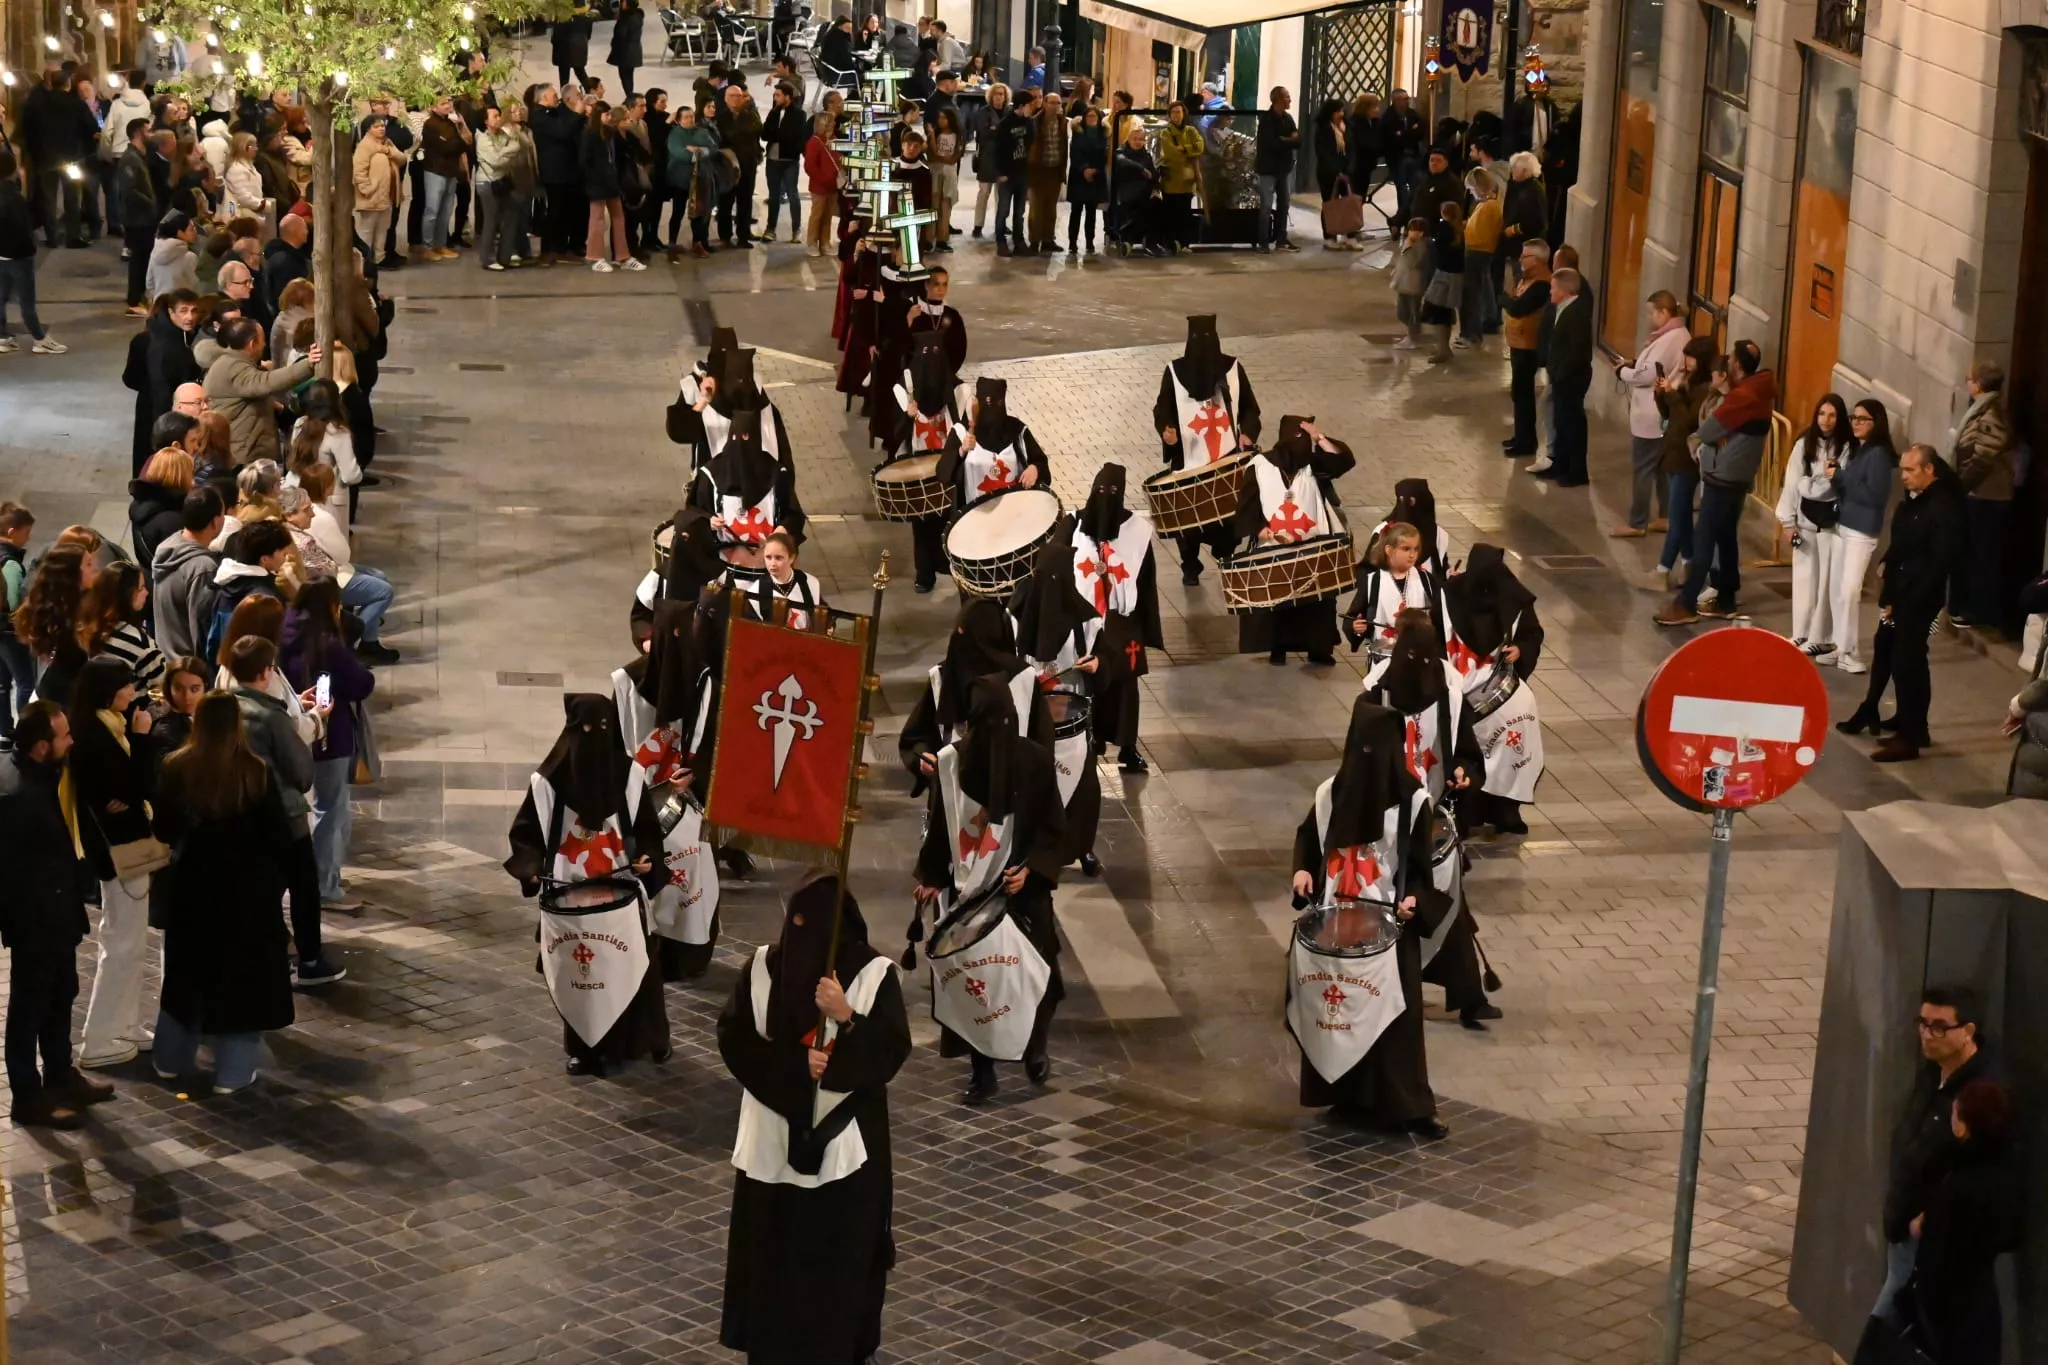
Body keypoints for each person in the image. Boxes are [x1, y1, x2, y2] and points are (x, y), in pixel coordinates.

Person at [717, 872, 909, 1365]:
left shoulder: (874, 976)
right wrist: (794, 1068)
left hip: (846, 1159)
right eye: (795, 923)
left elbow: (889, 1053)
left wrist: (846, 1016)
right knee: (773, 1259)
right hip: (771, 1153)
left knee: (835, 1267)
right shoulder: (761, 969)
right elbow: (734, 1041)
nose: (801, 936)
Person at [1287, 695, 1449, 1139]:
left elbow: (1420, 869)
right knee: (1339, 1014)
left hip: (1390, 930)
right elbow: (1308, 839)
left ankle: (1410, 1107)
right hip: (1336, 923)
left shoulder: (1414, 804)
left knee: (1397, 1022)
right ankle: (1347, 1094)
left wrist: (1414, 898)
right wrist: (1302, 868)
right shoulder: (1327, 795)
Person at [909, 678, 1066, 1105]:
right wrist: (931, 877)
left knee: (1035, 975)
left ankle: (1035, 1048)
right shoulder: (950, 764)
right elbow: (942, 826)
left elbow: (1054, 828)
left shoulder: (1033, 762)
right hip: (967, 896)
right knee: (974, 982)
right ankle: (982, 1071)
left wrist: (1032, 868)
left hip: (1021, 892)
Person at [506, 693, 669, 1075]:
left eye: (601, 730)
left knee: (636, 967)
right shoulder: (546, 784)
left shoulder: (630, 777)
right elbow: (526, 834)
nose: (593, 738)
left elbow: (647, 831)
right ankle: (584, 1047)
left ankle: (646, 1040)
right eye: (585, 730)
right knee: (580, 975)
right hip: (570, 898)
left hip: (624, 894)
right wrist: (530, 867)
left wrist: (648, 859)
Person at [148, 690, 296, 1093]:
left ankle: (169, 1060)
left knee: (185, 978)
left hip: (192, 889)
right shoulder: (255, 771)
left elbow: (163, 829)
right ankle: (232, 1074)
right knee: (242, 982)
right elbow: (278, 837)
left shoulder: (177, 767)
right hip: (245, 893)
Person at [1861, 988, 2006, 1335]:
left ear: (1968, 1031)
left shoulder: (1980, 1095)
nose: (1928, 1034)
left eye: (1940, 1026)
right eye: (1923, 1023)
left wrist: (1930, 1217)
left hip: (1929, 1245)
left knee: (1883, 1337)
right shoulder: (1934, 1072)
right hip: (1903, 1229)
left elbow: (1984, 1170)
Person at [0, 702, 107, 1128]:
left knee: (62, 992)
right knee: (29, 1006)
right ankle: (26, 1097)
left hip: (57, 911)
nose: (72, 741)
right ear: (43, 746)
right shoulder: (17, 796)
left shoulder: (39, 775)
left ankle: (60, 1075)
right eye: (64, 736)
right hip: (34, 920)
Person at [228, 635, 346, 985]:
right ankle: (309, 960)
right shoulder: (269, 716)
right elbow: (300, 771)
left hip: (242, 813)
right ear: (266, 671)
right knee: (303, 889)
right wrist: (316, 721)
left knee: (260, 890)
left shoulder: (223, 706)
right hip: (284, 815)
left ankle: (261, 954)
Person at [66, 656, 164, 1072]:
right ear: (108, 690)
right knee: (121, 944)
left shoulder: (106, 726)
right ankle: (100, 1039)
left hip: (127, 843)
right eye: (126, 686)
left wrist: (126, 780)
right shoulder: (95, 735)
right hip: (119, 851)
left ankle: (126, 1023)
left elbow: (126, 788)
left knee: (130, 942)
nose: (133, 693)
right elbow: (137, 784)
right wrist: (142, 741)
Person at [1837, 445, 1963, 763]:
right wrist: (1889, 564)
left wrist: (1907, 600)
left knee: (1909, 663)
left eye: (1910, 471)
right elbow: (1904, 540)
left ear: (1929, 470)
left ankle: (1910, 737)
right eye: (1903, 469)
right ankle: (1907, 721)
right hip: (1902, 592)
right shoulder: (1918, 500)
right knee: (1892, 652)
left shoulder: (1943, 507)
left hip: (1918, 597)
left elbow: (1939, 561)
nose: (1903, 476)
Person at [1655, 340, 1777, 624]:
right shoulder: (1759, 391)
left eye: (1732, 359)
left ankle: (1685, 604)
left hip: (1724, 476)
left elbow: (1707, 430)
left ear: (1736, 366)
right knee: (1725, 535)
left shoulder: (1743, 397)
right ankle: (1725, 599)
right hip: (1738, 475)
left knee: (1705, 537)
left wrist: (1697, 440)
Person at [278, 578, 374, 911]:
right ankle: (324, 886)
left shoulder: (285, 629)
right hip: (329, 735)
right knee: (331, 810)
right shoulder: (326, 644)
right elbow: (360, 683)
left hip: (296, 727)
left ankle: (322, 877)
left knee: (319, 807)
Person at [1231, 417, 1355, 665]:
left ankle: (1318, 649)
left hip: (1313, 543)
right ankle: (1278, 648)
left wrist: (1319, 436)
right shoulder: (1259, 465)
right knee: (1279, 600)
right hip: (1274, 545)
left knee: (1318, 599)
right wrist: (1260, 530)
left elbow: (1343, 462)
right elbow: (1248, 506)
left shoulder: (1314, 465)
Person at [1443, 546, 1544, 836]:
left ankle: (1505, 811)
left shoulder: (1515, 598)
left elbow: (1531, 634)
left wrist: (1521, 650)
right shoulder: (1450, 595)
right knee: (1468, 756)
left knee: (1509, 753)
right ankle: (1463, 814)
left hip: (1503, 695)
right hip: (1461, 690)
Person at [1067, 463, 1161, 775]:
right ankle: (1090, 741)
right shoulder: (1074, 525)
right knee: (1087, 682)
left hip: (1123, 619)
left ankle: (1128, 747)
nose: (1105, 498)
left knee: (1125, 686)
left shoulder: (1137, 531)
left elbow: (1145, 581)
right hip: (1084, 617)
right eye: (1100, 492)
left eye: (1112, 493)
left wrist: (1146, 627)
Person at [1157, 314, 1262, 584]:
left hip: (1226, 459)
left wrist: (1248, 433)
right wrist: (1166, 430)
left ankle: (1225, 553)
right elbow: (1163, 408)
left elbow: (1250, 407)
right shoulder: (1174, 372)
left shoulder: (1232, 369)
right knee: (1189, 519)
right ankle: (1190, 565)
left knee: (1228, 517)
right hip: (1189, 460)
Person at [1823, 399, 1900, 673]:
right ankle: (1839, 645)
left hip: (1861, 530)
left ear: (1875, 422)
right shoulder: (1861, 449)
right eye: (1853, 417)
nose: (1855, 422)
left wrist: (1841, 477)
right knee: (1838, 590)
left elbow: (1874, 496)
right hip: (1845, 524)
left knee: (1850, 589)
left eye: (1863, 419)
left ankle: (1851, 651)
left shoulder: (1878, 455)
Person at [1775, 395, 1852, 656]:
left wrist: (1809, 484)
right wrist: (1788, 521)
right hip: (1805, 523)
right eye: (1822, 414)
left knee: (1826, 582)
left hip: (1831, 525)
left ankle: (1821, 636)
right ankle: (1801, 633)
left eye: (1832, 415)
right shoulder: (1803, 444)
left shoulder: (1846, 447)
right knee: (1804, 580)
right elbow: (1791, 481)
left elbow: (1831, 489)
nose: (1826, 421)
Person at [1610, 290, 1690, 536]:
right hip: (1661, 413)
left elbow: (1648, 375)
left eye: (1650, 313)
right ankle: (1665, 516)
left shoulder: (1671, 338)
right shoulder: (1675, 335)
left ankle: (1637, 522)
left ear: (1664, 312)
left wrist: (1622, 372)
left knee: (1643, 469)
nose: (1648, 318)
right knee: (1661, 469)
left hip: (1653, 414)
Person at [1950, 360, 2015, 630]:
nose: (1967, 383)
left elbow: (1984, 456)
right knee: (1973, 551)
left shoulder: (1991, 413)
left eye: (1970, 378)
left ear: (1978, 384)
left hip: (1987, 496)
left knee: (1981, 554)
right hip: (1979, 494)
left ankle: (1978, 611)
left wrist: (1962, 484)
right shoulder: (1982, 408)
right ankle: (1967, 607)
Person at [201, 317, 318, 466]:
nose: (264, 345)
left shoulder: (230, 363)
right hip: (244, 456)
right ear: (252, 344)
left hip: (247, 450)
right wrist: (308, 365)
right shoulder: (233, 367)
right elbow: (266, 382)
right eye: (262, 340)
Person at [1653, 339, 1716, 587]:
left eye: (1691, 357)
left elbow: (1690, 422)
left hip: (1688, 460)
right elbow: (1669, 415)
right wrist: (1662, 395)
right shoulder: (1687, 383)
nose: (1687, 362)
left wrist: (1673, 395)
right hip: (1674, 453)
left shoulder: (1705, 390)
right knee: (1681, 515)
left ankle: (1663, 569)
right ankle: (1690, 565)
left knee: (1678, 516)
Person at [1343, 522, 1443, 663]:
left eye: (1416, 549)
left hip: (1421, 656)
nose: (1412, 554)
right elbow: (1353, 616)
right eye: (1406, 549)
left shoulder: (1425, 578)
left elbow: (1440, 610)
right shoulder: (1373, 581)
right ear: (1389, 550)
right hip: (1384, 656)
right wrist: (1356, 628)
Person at [942, 377, 1048, 506]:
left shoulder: (1017, 430)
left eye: (997, 404)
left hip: (1014, 512)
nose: (991, 412)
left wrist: (1035, 468)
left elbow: (1041, 463)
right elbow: (943, 474)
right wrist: (962, 450)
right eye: (986, 404)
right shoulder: (961, 432)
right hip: (973, 516)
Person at [0, 150, 65, 355]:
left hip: (1, 255)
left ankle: (2, 336)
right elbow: (23, 227)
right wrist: (31, 248)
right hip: (19, 256)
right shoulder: (14, 198)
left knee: (1, 297)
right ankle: (39, 338)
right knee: (27, 301)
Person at [13, 542, 92, 708]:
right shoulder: (58, 619)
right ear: (71, 573)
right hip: (61, 700)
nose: (96, 569)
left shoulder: (78, 604)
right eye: (89, 564)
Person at [1533, 266, 1592, 486]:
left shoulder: (1578, 313)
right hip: (1559, 376)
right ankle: (1560, 464)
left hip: (1571, 379)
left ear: (1566, 290)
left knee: (1572, 424)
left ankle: (1577, 472)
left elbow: (1576, 351)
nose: (1550, 292)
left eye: (1553, 288)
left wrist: (1559, 373)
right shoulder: (1561, 308)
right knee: (1560, 421)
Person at [152, 488, 225, 659]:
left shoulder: (168, 546)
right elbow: (202, 629)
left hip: (168, 658)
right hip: (188, 668)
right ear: (215, 522)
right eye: (223, 514)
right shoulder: (202, 568)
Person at [78, 561, 167, 694]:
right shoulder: (137, 641)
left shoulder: (88, 628)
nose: (147, 593)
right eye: (141, 588)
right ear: (127, 595)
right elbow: (163, 685)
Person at [115, 119, 160, 315]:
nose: (152, 134)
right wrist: (151, 204)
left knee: (143, 257)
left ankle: (140, 296)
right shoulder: (130, 159)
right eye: (148, 131)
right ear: (139, 133)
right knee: (139, 259)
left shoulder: (140, 156)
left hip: (145, 217)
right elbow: (130, 190)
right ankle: (134, 300)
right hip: (137, 218)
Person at [716, 84, 763, 249]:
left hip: (747, 164)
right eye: (733, 96)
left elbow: (757, 129)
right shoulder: (720, 117)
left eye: (739, 96)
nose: (737, 99)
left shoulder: (750, 115)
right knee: (725, 201)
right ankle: (725, 235)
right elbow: (723, 137)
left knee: (745, 200)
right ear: (726, 98)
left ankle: (743, 235)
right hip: (728, 166)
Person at [1253, 86, 1299, 252]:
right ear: (1278, 100)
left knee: (1284, 204)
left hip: (1284, 168)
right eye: (1287, 97)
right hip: (1268, 169)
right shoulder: (1266, 120)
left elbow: (1298, 140)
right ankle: (1263, 241)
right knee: (1266, 205)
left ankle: (1281, 239)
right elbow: (1272, 144)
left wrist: (1284, 140)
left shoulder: (1288, 118)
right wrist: (1289, 140)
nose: (1290, 100)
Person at [1418, 201, 1464, 362]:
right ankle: (1444, 348)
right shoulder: (1460, 228)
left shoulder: (1444, 228)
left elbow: (1438, 249)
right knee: (1445, 312)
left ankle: (1443, 350)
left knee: (1436, 311)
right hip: (1456, 275)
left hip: (1443, 275)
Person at [1157, 101, 1204, 253]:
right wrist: (1190, 153)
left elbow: (1200, 146)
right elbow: (1172, 154)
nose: (1177, 115)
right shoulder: (1166, 133)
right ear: (1169, 115)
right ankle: (1170, 243)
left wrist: (1184, 149)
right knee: (1171, 214)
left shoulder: (1191, 131)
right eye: (1174, 112)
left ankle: (1184, 244)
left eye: (1179, 112)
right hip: (1172, 181)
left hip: (1188, 182)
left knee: (1185, 214)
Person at [1065, 104, 1107, 255]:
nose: (1091, 119)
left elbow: (1104, 155)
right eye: (1088, 116)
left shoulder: (1103, 134)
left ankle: (1090, 242)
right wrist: (1084, 169)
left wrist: (1094, 170)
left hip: (1095, 176)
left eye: (1094, 116)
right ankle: (1072, 242)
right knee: (1075, 211)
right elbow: (1074, 153)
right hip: (1079, 176)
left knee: (1091, 213)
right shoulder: (1078, 133)